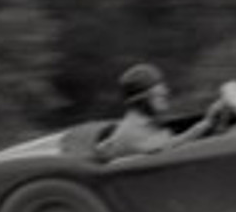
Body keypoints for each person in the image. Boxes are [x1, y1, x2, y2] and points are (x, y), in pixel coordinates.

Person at [95, 63, 224, 161]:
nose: (165, 93)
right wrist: (207, 124)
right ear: (141, 99)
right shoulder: (131, 131)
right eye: (157, 94)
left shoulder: (143, 125)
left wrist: (209, 120)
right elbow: (168, 150)